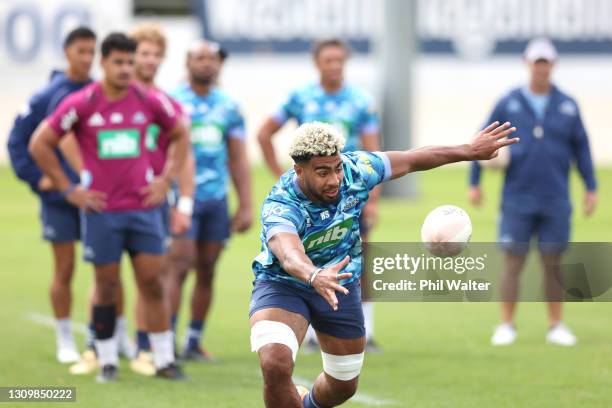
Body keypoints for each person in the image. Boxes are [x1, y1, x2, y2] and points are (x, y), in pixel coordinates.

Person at [250, 120, 517, 407]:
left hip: (341, 284)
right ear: (299, 170)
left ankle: (308, 404)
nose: (334, 180)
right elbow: (288, 252)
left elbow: (413, 159)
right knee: (275, 363)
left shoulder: (357, 170)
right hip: (284, 285)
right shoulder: (282, 204)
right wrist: (314, 275)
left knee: (343, 384)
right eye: (322, 172)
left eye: (336, 168)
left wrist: (468, 150)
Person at [29, 32, 189, 382]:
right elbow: (40, 142)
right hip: (102, 212)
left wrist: (166, 178)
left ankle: (163, 359)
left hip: (144, 209)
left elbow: (180, 132)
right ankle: (106, 362)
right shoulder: (82, 102)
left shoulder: (148, 100)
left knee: (151, 282)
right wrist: (69, 188)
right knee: (107, 285)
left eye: (130, 62)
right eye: (119, 62)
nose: (126, 68)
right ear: (103, 63)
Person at [469, 38, 598, 346]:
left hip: (555, 197)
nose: (541, 68)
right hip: (517, 197)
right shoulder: (509, 101)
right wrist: (475, 182)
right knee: (513, 262)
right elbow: (482, 140)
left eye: (546, 63)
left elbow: (582, 148)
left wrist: (591, 187)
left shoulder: (567, 104)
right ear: (527, 64)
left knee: (553, 262)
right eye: (536, 62)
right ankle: (506, 324)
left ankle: (556, 326)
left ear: (552, 66)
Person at [256, 38, 382, 352]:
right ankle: (312, 330)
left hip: (348, 193)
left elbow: (373, 149)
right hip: (312, 196)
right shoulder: (301, 97)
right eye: (329, 60)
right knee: (305, 254)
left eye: (340, 60)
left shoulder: (360, 100)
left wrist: (373, 199)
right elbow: (263, 133)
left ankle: (367, 327)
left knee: (360, 257)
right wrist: (280, 176)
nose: (335, 66)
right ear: (317, 63)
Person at [7, 26, 97, 364]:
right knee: (65, 267)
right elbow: (17, 141)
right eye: (81, 51)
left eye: (92, 52)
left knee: (108, 268)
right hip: (61, 197)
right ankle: (64, 338)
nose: (87, 59)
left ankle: (107, 336)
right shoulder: (47, 95)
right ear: (67, 52)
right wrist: (39, 178)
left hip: (96, 196)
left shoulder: (100, 92)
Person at [168, 40, 252, 361]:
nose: (206, 64)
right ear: (187, 63)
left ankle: (193, 340)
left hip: (216, 199)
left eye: (212, 59)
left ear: (219, 65)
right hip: (181, 198)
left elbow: (238, 158)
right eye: (199, 58)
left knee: (207, 270)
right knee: (179, 265)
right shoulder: (172, 102)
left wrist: (244, 204)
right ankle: (167, 340)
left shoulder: (229, 107)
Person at [127, 23, 195, 376]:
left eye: (156, 54)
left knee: (155, 273)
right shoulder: (115, 98)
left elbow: (184, 153)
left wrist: (183, 203)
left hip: (156, 201)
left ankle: (145, 346)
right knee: (107, 277)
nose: (150, 60)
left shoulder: (167, 104)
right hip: (116, 201)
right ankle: (101, 344)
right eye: (144, 53)